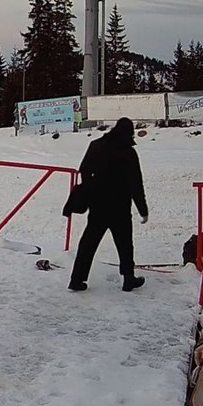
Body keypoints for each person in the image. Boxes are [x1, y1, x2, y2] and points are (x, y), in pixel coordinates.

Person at [68, 117, 149, 292]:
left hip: (98, 204)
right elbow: (136, 183)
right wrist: (143, 210)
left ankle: (76, 279)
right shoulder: (128, 152)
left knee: (88, 243)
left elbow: (84, 169)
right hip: (120, 206)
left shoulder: (96, 145)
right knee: (125, 244)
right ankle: (128, 279)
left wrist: (91, 188)